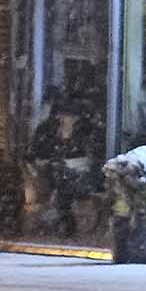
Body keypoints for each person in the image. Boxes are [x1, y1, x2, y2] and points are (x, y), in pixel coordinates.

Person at [27, 91, 103, 238]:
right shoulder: (47, 131)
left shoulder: (87, 133)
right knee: (60, 175)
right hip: (53, 174)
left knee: (66, 181)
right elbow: (34, 155)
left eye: (69, 116)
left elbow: (93, 159)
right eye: (60, 115)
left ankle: (66, 222)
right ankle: (64, 222)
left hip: (81, 176)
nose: (63, 119)